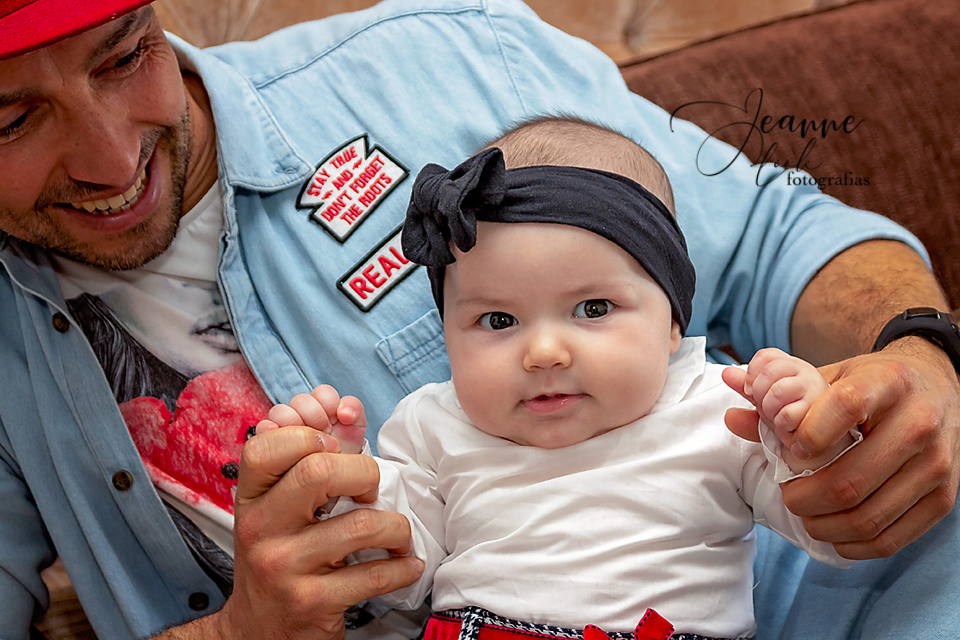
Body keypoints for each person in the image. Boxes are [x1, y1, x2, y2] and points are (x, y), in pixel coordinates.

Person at [0, 1, 958, 639]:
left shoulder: (450, 57)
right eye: (12, 120)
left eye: (126, 56)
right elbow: (404, 531)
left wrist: (924, 361)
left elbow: (774, 231)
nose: (109, 154)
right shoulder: (428, 434)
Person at [264, 120, 862, 640]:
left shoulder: (718, 409)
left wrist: (807, 440)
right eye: (498, 320)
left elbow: (835, 534)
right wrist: (349, 485)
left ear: (674, 321)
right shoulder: (434, 424)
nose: (544, 352)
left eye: (593, 309)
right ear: (447, 332)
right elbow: (402, 579)